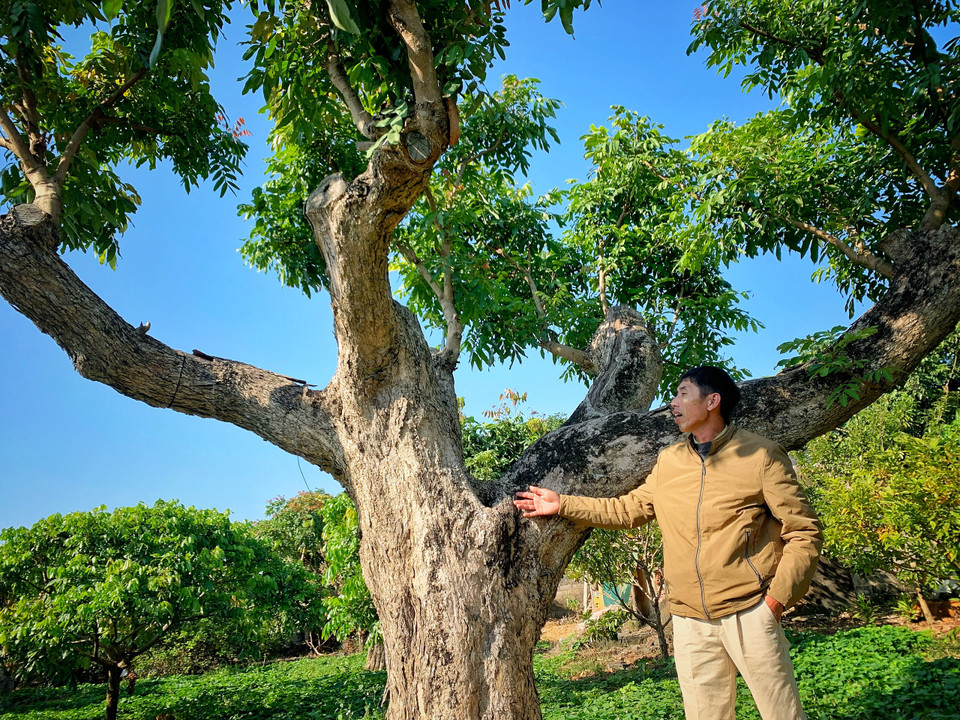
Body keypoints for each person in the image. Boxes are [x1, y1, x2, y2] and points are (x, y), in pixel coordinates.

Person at [514, 366, 821, 720]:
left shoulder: (761, 455)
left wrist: (776, 600)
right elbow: (627, 509)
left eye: (682, 393)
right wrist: (563, 504)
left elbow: (804, 530)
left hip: (750, 612)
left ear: (712, 401)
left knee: (782, 715)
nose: (672, 403)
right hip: (690, 621)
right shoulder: (670, 461)